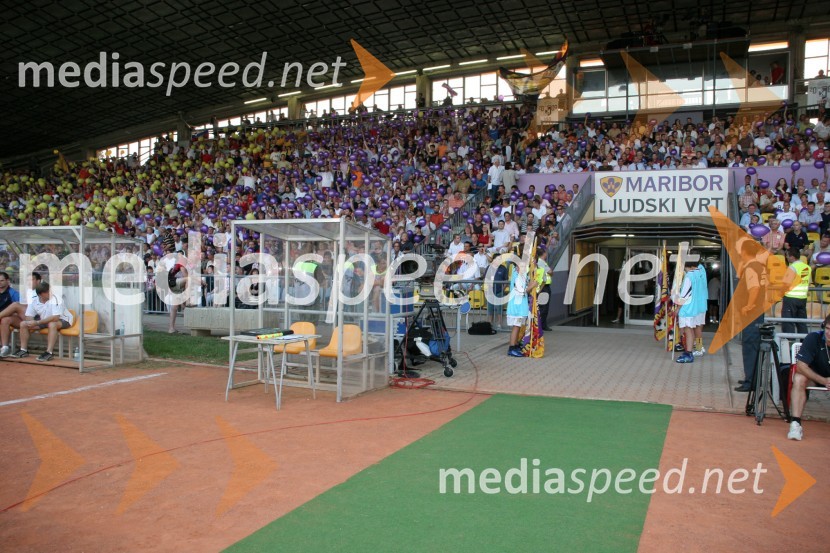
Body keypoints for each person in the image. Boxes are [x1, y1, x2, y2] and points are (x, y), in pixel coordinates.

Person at [788, 314, 830, 440]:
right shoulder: (813, 338)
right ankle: (795, 424)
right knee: (799, 378)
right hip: (815, 378)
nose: (829, 333)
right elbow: (800, 366)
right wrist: (824, 380)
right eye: (827, 328)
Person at [11, 282, 74, 362]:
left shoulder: (56, 299)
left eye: (50, 290)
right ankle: (23, 350)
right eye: (47, 292)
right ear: (40, 295)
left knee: (52, 324)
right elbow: (28, 316)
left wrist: (37, 323)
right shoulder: (34, 300)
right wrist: (30, 322)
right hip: (45, 320)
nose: (50, 293)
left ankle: (49, 352)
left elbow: (55, 318)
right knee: (23, 324)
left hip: (64, 320)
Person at [735, 240, 767, 392]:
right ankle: (751, 376)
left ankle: (751, 382)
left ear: (744, 252)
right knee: (753, 346)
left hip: (752, 314)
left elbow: (754, 288)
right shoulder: (759, 266)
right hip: (758, 312)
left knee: (750, 346)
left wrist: (748, 305)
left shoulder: (751, 268)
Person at [0, 271, 42, 357]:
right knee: (5, 319)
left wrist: (19, 308)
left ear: (38, 281)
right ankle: (5, 348)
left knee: (15, 305)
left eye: (31, 280)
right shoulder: (29, 292)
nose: (28, 282)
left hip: (39, 319)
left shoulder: (43, 291)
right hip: (27, 318)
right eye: (27, 280)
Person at [674, 259, 708, 363]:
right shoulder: (700, 272)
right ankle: (696, 348)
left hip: (689, 308)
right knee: (693, 329)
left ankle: (693, 350)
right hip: (698, 305)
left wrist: (677, 309)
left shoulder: (690, 276)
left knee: (690, 329)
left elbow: (684, 295)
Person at [506, 251, 538, 357]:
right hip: (516, 306)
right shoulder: (517, 275)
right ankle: (511, 348)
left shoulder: (522, 275)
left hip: (520, 306)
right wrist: (532, 285)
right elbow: (522, 291)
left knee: (518, 327)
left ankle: (515, 345)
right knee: (516, 327)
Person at [781, 248, 811, 336]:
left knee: (788, 322)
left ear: (792, 257)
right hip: (802, 298)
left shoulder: (792, 267)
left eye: (787, 256)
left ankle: (790, 342)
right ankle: (804, 341)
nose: (787, 258)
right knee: (801, 322)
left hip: (791, 298)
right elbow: (808, 282)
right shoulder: (807, 267)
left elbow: (786, 282)